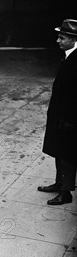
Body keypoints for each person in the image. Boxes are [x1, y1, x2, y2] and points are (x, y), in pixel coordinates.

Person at [38, 19, 77, 205]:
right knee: (58, 150)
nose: (58, 41)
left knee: (68, 154)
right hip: (60, 115)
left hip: (69, 118)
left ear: (73, 39)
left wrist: (70, 119)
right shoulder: (69, 55)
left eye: (62, 38)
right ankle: (59, 183)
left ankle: (66, 192)